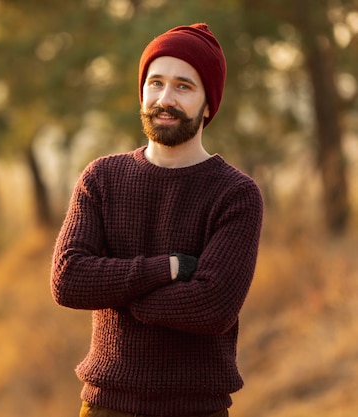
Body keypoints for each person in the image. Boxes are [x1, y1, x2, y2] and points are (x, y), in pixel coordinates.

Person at [50, 23, 263, 417]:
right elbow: (69, 279)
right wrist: (170, 268)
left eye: (184, 86)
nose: (165, 98)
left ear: (208, 104)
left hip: (198, 409)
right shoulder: (102, 178)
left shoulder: (236, 193)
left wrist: (117, 292)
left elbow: (213, 307)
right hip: (105, 405)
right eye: (156, 83)